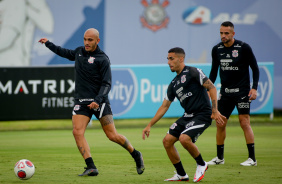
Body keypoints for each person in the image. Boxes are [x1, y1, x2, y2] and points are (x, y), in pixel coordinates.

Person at [38, 28, 145, 176]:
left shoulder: (103, 59)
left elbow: (107, 84)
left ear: (97, 41)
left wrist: (98, 100)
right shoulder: (79, 52)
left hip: (99, 102)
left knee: (112, 136)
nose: (86, 43)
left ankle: (136, 154)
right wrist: (48, 43)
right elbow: (63, 52)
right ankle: (91, 166)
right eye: (85, 39)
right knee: (77, 132)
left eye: (90, 40)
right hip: (81, 102)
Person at [142, 47, 225, 182]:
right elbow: (164, 106)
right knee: (167, 141)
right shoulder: (173, 84)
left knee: (184, 139)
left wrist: (215, 110)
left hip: (203, 114)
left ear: (181, 59)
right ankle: (181, 174)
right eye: (168, 59)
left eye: (171, 59)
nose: (168, 62)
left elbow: (212, 87)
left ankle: (202, 164)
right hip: (188, 116)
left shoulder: (193, 72)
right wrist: (149, 125)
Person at [207, 21, 260, 166]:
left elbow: (255, 68)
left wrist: (254, 88)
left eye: (226, 33)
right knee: (220, 124)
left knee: (244, 122)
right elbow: (213, 72)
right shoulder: (216, 49)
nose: (223, 36)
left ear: (233, 34)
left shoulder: (243, 47)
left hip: (242, 92)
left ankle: (252, 159)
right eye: (221, 33)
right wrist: (208, 88)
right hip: (226, 93)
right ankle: (219, 158)